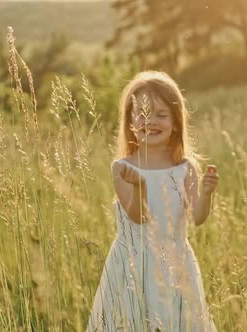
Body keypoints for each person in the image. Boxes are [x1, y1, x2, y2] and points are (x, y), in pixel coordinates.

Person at [87, 71, 219, 331]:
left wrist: (206, 193)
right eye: (143, 114)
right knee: (133, 321)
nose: (152, 121)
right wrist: (139, 187)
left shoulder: (185, 167)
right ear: (131, 122)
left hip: (176, 261)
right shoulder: (122, 167)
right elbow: (138, 216)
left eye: (161, 114)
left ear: (176, 122)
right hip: (133, 264)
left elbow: (197, 218)